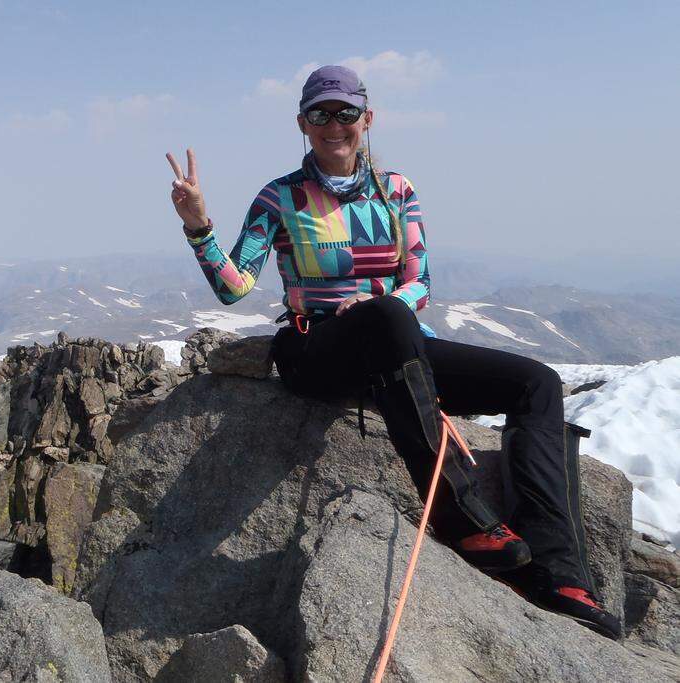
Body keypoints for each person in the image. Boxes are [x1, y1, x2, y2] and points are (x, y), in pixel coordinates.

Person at [164, 64, 621, 639]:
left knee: (536, 383)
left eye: (345, 113)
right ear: (302, 124)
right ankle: (462, 518)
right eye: (320, 114)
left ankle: (559, 572)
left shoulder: (396, 190)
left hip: (396, 344)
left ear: (367, 119)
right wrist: (199, 227)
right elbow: (235, 287)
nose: (334, 124)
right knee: (385, 317)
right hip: (316, 351)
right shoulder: (280, 198)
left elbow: (420, 282)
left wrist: (381, 305)